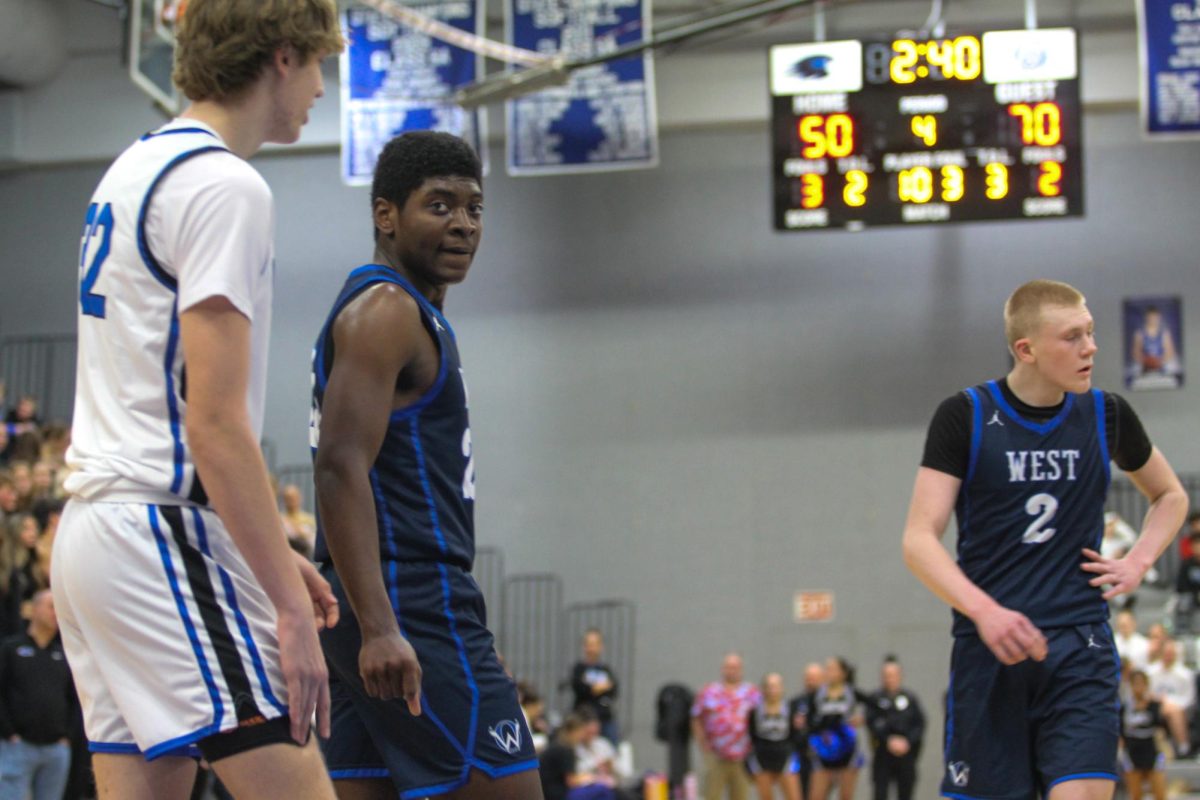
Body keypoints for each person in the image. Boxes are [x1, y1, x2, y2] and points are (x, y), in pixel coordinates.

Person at [49, 3, 345, 799]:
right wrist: (285, 606)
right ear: (283, 57)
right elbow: (210, 423)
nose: (323, 85)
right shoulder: (225, 185)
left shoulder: (134, 166)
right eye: (320, 62)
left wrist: (263, 547)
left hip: (91, 537)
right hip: (155, 532)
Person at [311, 131, 542, 800]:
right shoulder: (386, 311)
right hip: (409, 597)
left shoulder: (405, 314)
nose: (464, 224)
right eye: (439, 206)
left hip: (377, 599)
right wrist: (382, 625)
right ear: (387, 214)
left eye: (474, 208)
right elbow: (338, 467)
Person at [903, 279, 1189, 800]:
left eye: (1092, 333)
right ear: (1026, 349)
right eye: (1073, 337)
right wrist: (985, 611)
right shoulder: (964, 416)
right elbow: (919, 540)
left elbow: (1170, 496)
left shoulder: (1107, 413)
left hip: (1080, 643)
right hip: (991, 647)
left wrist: (1139, 561)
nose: (1091, 348)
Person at [0, 590, 74, 800]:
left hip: (56, 748)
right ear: (34, 609)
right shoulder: (11, 648)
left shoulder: (63, 654)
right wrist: (9, 732)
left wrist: (66, 736)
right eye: (51, 606)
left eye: (59, 608)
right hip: (18, 746)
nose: (55, 613)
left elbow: (72, 699)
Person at [692, 652, 761, 800]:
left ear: (741, 669)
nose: (732, 670)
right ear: (722, 669)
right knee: (712, 795)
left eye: (735, 667)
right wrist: (702, 741)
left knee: (740, 795)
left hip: (742, 758)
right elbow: (696, 716)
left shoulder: (751, 692)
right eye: (728, 667)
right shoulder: (709, 691)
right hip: (716, 755)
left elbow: (761, 718)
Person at [800, 657, 863, 800]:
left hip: (847, 750)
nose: (828, 672)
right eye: (826, 669)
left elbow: (875, 706)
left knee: (846, 795)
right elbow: (809, 721)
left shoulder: (850, 692)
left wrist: (861, 718)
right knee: (816, 795)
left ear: (842, 673)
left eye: (832, 669)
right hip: (824, 750)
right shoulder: (818, 694)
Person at [864, 656, 924, 800]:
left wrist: (907, 741)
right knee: (880, 793)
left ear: (900, 676)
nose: (889, 679)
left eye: (893, 675)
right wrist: (888, 740)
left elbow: (919, 724)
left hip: (905, 754)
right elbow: (872, 723)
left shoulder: (910, 698)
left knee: (905, 791)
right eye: (886, 675)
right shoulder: (875, 698)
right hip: (883, 754)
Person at [746, 673, 800, 800]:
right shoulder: (755, 711)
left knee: (793, 795)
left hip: (784, 754)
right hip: (762, 756)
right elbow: (752, 734)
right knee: (766, 796)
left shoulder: (790, 709)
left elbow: (795, 734)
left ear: (782, 688)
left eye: (775, 686)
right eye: (769, 687)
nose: (772, 691)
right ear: (763, 689)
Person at [1120, 670, 1171, 800]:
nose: (1139, 687)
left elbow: (1162, 726)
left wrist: (1149, 707)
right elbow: (1121, 730)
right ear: (1130, 685)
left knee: (1159, 791)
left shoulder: (1154, 705)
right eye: (1135, 683)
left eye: (1142, 683)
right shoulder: (1124, 708)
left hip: (1152, 749)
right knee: (1135, 793)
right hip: (1132, 750)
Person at [571, 629, 620, 744]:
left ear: (600, 646)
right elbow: (580, 688)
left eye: (594, 644)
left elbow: (613, 689)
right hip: (584, 717)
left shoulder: (605, 669)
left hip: (604, 717)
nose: (591, 648)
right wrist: (599, 688)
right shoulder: (579, 668)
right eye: (588, 645)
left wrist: (596, 688)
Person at [790, 662, 825, 800]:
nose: (811, 681)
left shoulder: (827, 703)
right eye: (808, 677)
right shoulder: (796, 702)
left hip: (823, 758)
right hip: (802, 757)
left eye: (814, 678)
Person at [1131, 306, 1177, 375]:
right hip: (1145, 361)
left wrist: (1160, 362)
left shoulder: (1164, 332)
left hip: (1161, 361)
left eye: (1155, 317)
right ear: (1146, 318)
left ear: (1159, 318)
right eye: (1150, 317)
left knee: (1172, 366)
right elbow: (1135, 352)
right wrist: (1145, 361)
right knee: (1135, 368)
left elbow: (1170, 352)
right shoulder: (1139, 333)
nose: (1152, 320)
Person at [279, 483, 317, 558]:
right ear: (284, 500)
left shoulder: (309, 519)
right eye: (288, 498)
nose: (291, 501)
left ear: (300, 498)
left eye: (294, 497)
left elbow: (313, 543)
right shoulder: (280, 518)